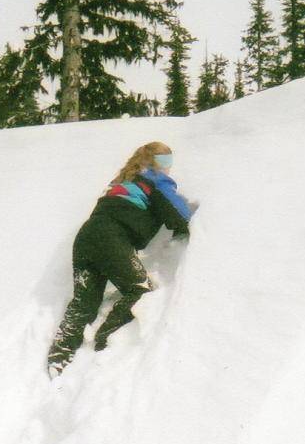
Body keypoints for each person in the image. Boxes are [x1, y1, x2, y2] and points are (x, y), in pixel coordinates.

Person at [47, 141, 195, 378]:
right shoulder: (155, 179)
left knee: (84, 302)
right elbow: (179, 214)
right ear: (157, 163)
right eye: (167, 163)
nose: (169, 169)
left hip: (86, 239)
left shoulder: (121, 181)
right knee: (141, 290)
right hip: (111, 239)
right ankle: (107, 338)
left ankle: (59, 356)